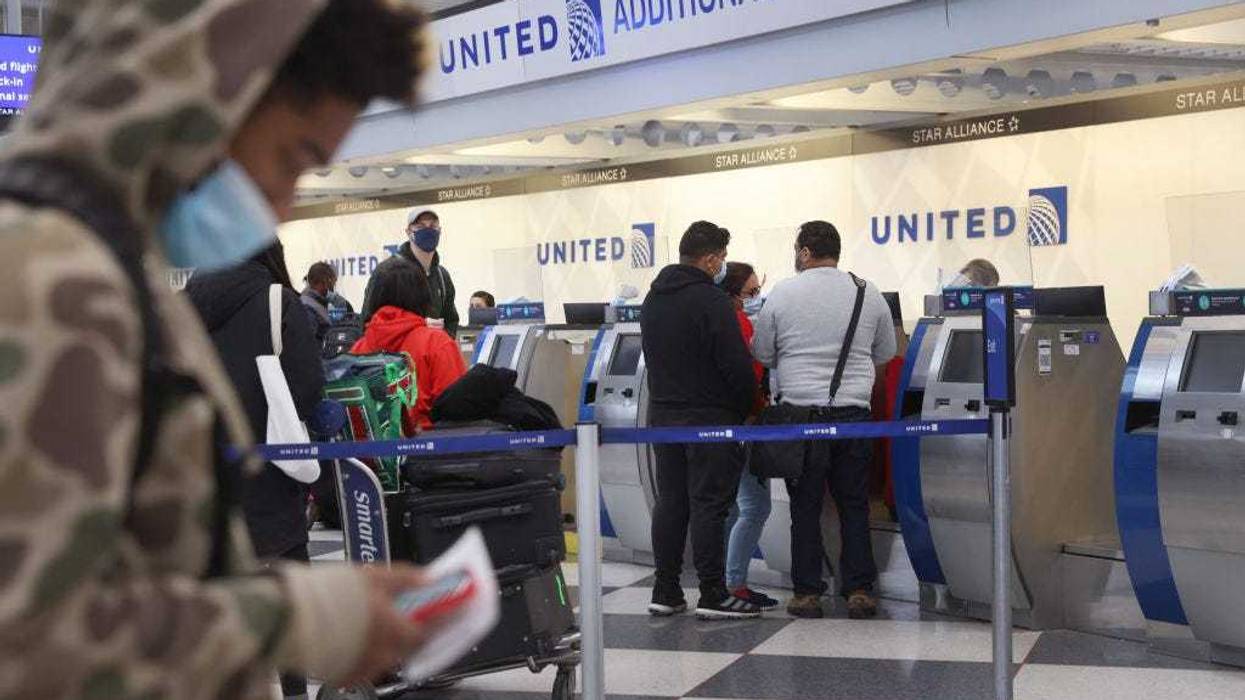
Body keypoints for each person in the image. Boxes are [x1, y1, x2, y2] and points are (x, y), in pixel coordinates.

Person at [0, 2, 437, 697]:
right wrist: (292, 621)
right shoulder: (55, 281)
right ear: (198, 100)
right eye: (294, 157)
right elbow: (25, 644)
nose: (283, 205)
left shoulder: (106, 269)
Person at [185, 243, 323, 700]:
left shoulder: (186, 302)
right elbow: (305, 387)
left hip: (206, 468)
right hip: (270, 467)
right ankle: (295, 688)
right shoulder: (276, 301)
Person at [753, 221, 897, 620]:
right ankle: (859, 591)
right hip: (854, 414)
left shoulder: (783, 292)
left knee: (806, 506)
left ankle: (807, 593)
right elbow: (884, 350)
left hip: (801, 417)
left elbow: (763, 352)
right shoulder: (868, 293)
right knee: (853, 505)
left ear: (803, 252)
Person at [640, 221, 761, 620]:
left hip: (664, 417)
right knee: (710, 504)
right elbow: (736, 365)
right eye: (722, 258)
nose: (723, 265)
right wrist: (749, 406)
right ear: (709, 259)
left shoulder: (654, 299)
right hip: (710, 417)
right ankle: (712, 592)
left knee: (671, 502)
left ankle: (666, 589)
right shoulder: (711, 301)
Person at [719, 262, 779, 610]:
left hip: (720, 423)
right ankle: (735, 583)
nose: (757, 298)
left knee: (730, 507)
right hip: (745, 422)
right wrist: (759, 406)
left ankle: (725, 582)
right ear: (733, 294)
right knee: (756, 506)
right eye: (751, 292)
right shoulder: (738, 323)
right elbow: (749, 374)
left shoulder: (717, 320)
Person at [351, 263, 468, 432]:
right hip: (428, 452)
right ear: (422, 296)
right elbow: (460, 412)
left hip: (368, 457)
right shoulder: (437, 344)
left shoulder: (357, 350)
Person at [363, 209, 460, 337]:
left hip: (431, 353)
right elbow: (369, 325)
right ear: (409, 232)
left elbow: (451, 321)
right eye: (420, 226)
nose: (428, 230)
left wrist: (441, 340)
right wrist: (418, 327)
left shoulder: (442, 276)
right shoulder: (387, 273)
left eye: (432, 226)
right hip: (397, 355)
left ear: (440, 230)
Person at [302, 261, 347, 341]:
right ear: (324, 282)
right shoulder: (308, 307)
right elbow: (307, 342)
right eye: (332, 283)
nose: (333, 287)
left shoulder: (317, 302)